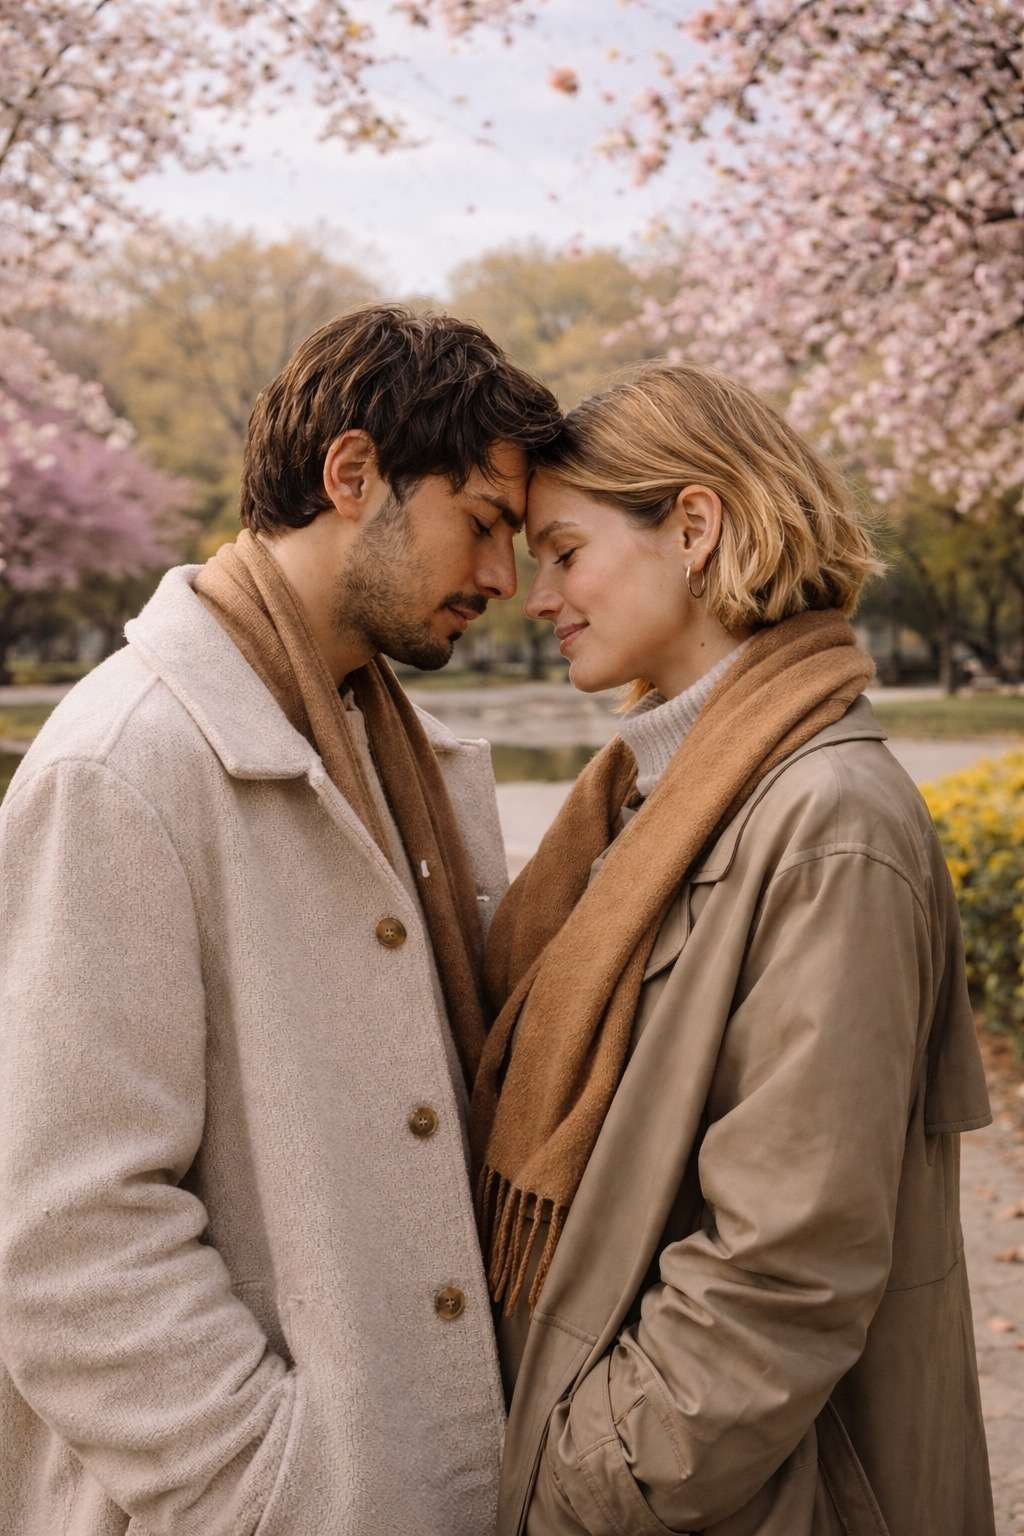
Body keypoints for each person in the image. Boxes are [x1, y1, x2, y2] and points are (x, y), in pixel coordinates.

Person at [0, 304, 561, 1536]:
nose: (501, 582)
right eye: (480, 524)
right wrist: (274, 1491)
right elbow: (65, 1237)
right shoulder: (125, 766)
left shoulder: (378, 738)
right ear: (353, 475)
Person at [472, 363, 995, 1536]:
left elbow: (785, 1267)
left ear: (694, 526)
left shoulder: (826, 823)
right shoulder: (641, 802)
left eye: (563, 549)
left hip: (742, 1498)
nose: (534, 592)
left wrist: (577, 1484)